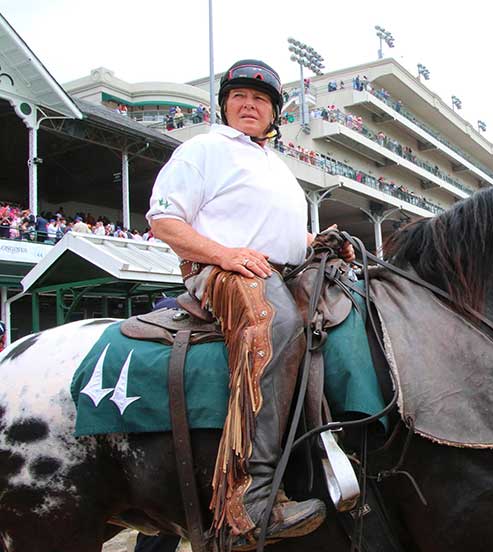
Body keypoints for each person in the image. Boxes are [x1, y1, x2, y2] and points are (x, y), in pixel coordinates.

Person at [147, 58, 353, 548]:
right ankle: (249, 499)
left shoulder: (275, 165)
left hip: (277, 269)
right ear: (224, 105)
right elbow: (163, 220)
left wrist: (319, 242)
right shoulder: (205, 148)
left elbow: (280, 235)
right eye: (239, 96)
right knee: (277, 321)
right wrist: (226, 254)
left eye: (260, 99)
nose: (249, 104)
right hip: (218, 272)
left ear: (273, 114)